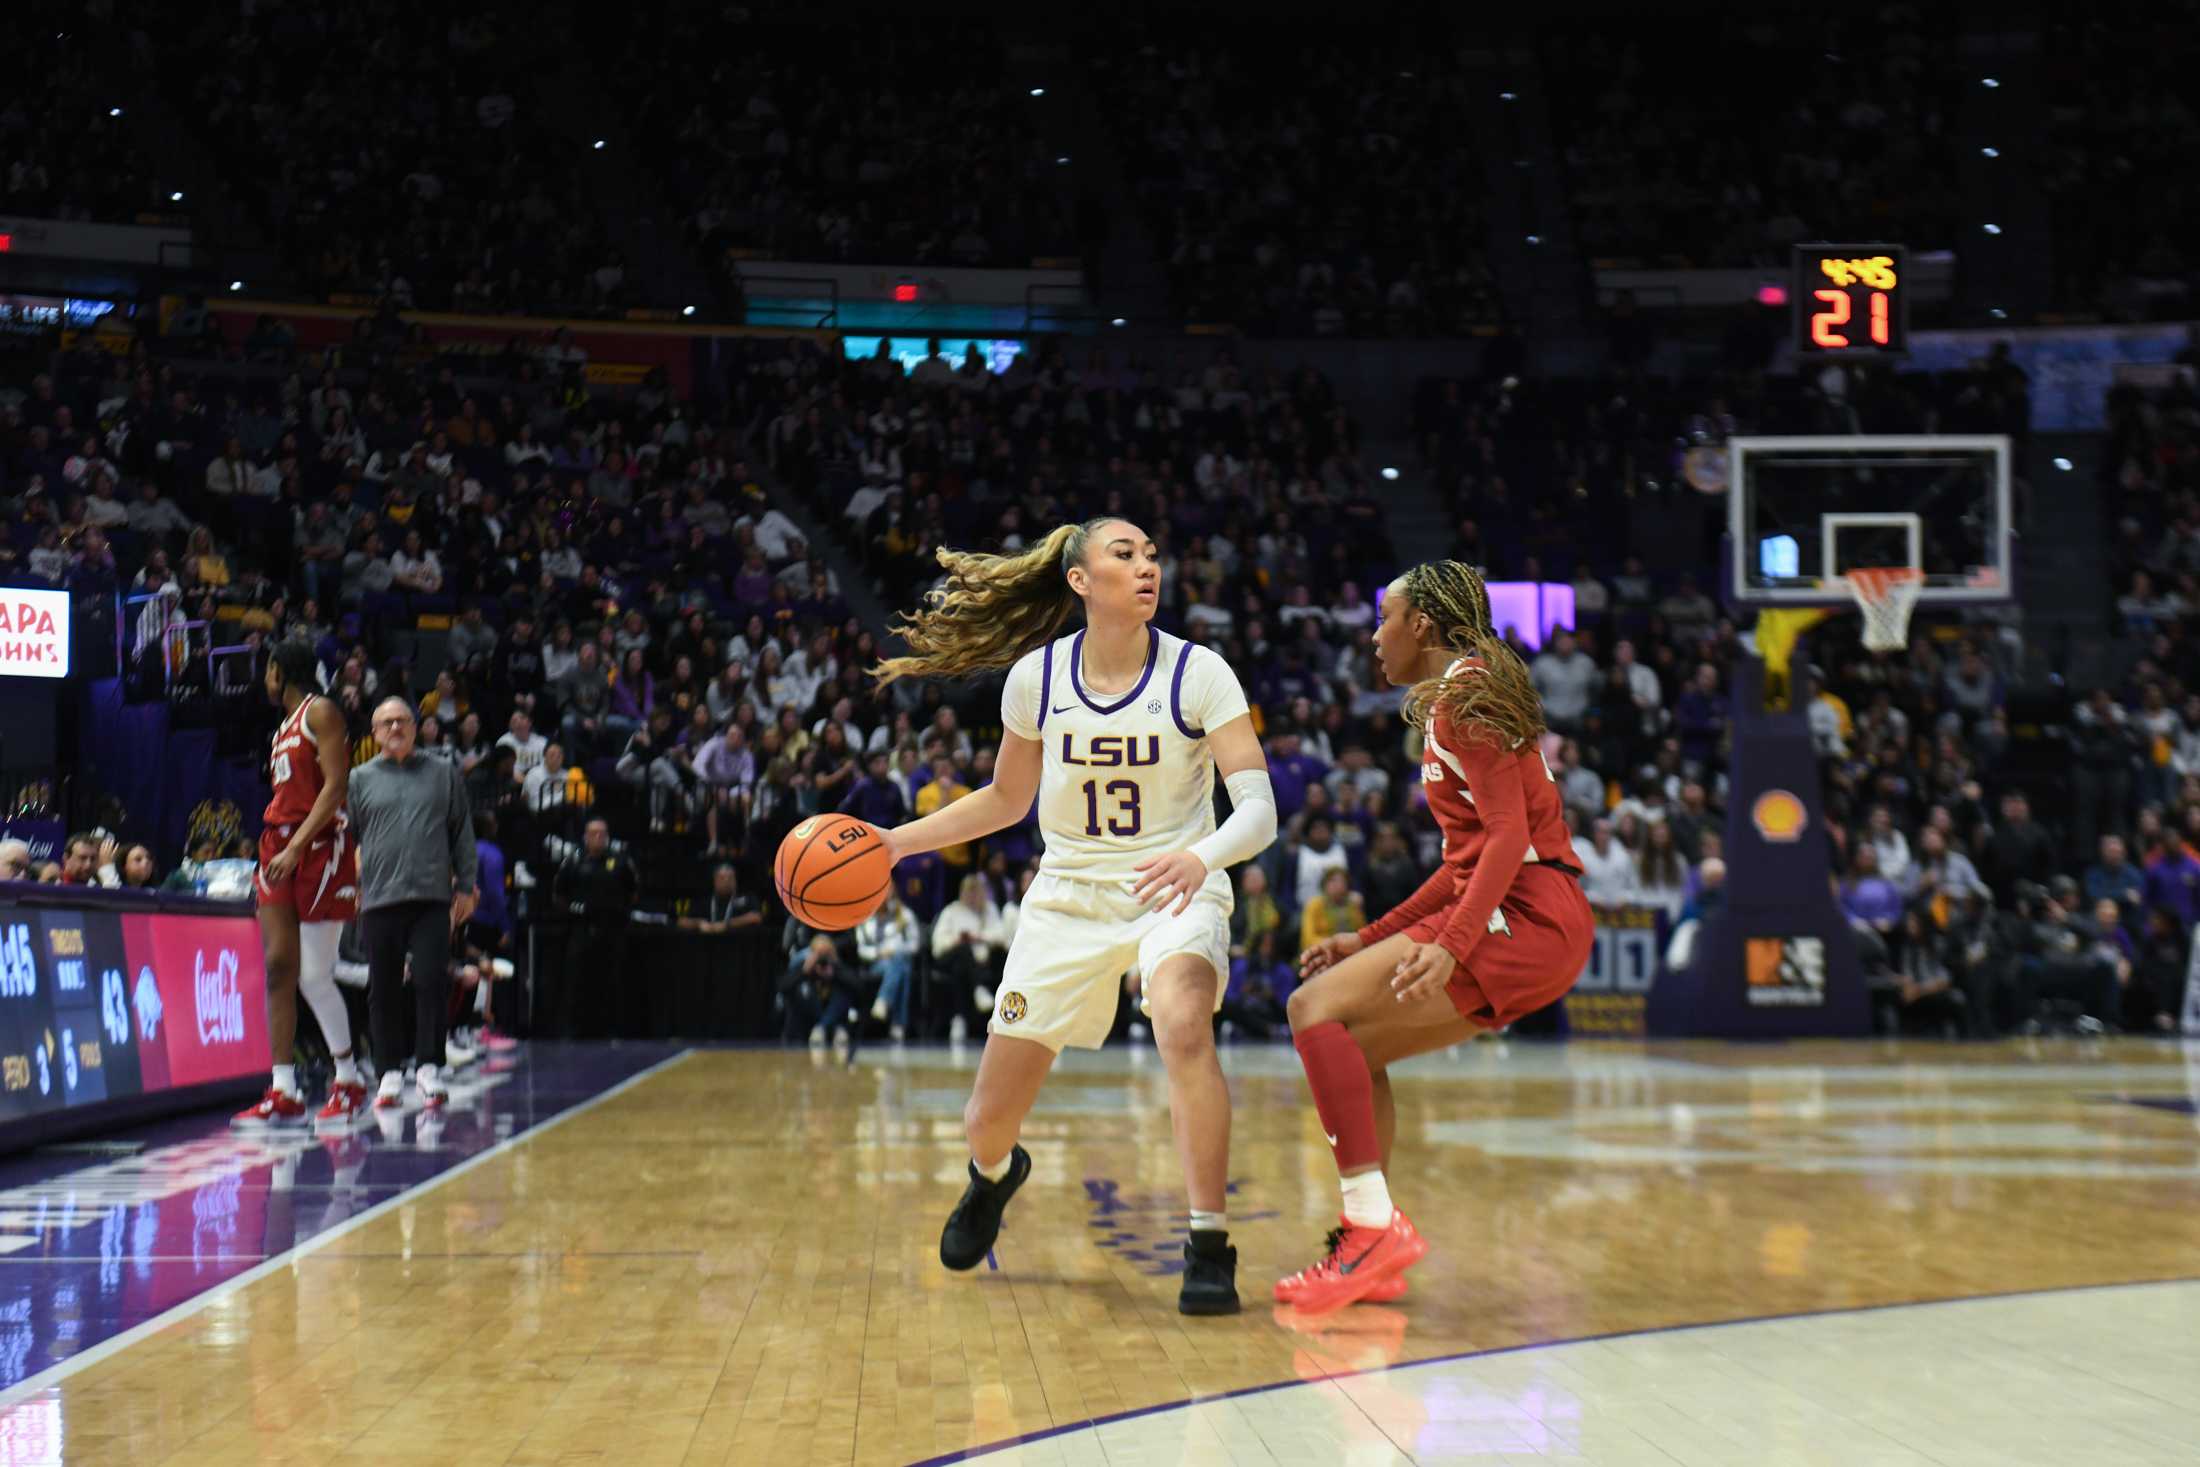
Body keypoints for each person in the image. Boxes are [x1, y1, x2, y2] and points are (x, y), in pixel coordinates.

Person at [871, 516, 1276, 1315]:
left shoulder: (1201, 673)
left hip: (1175, 883)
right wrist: (893, 843)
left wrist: (1203, 857)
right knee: (986, 1120)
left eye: (1153, 554)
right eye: (1124, 554)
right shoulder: (1037, 679)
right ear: (1082, 581)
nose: (1147, 566)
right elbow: (1005, 800)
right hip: (1067, 897)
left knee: (1184, 1023)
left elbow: (1258, 809)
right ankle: (994, 1176)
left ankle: (1208, 1244)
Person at [1282, 561, 1594, 1314]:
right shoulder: (1466, 689)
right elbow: (1466, 861)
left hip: (1528, 911)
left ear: (1420, 622)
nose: (1374, 633)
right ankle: (1369, 1242)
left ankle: (1371, 1231)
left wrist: (1451, 943)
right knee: (1351, 1045)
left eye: (1383, 616)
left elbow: (1507, 835)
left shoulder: (1464, 697)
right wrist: (1371, 936)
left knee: (1311, 1010)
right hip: (1526, 908)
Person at [237, 640, 366, 1130]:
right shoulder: (281, 729)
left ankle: (349, 1079)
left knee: (313, 974)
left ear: (279, 670)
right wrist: (279, 848)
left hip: (317, 847)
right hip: (278, 843)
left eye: (267, 670)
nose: (264, 680)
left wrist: (297, 848)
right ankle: (283, 1088)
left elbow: (336, 786)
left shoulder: (322, 712)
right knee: (277, 967)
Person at [348, 698, 479, 1110]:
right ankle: (388, 1073)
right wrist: (351, 886)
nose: (395, 727)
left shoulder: (443, 773)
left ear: (417, 725)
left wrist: (466, 887)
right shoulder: (359, 779)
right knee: (382, 987)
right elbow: (349, 838)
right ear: (374, 733)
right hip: (379, 897)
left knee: (430, 981)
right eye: (386, 722)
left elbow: (462, 833)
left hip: (431, 897)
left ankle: (428, 1068)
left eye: (402, 720)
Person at [857, 886, 921, 1039]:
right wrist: (879, 953)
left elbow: (915, 944)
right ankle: (898, 1024)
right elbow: (861, 949)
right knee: (902, 969)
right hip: (877, 964)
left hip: (899, 958)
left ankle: (883, 1001)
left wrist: (896, 950)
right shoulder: (865, 916)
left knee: (900, 964)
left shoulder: (905, 915)